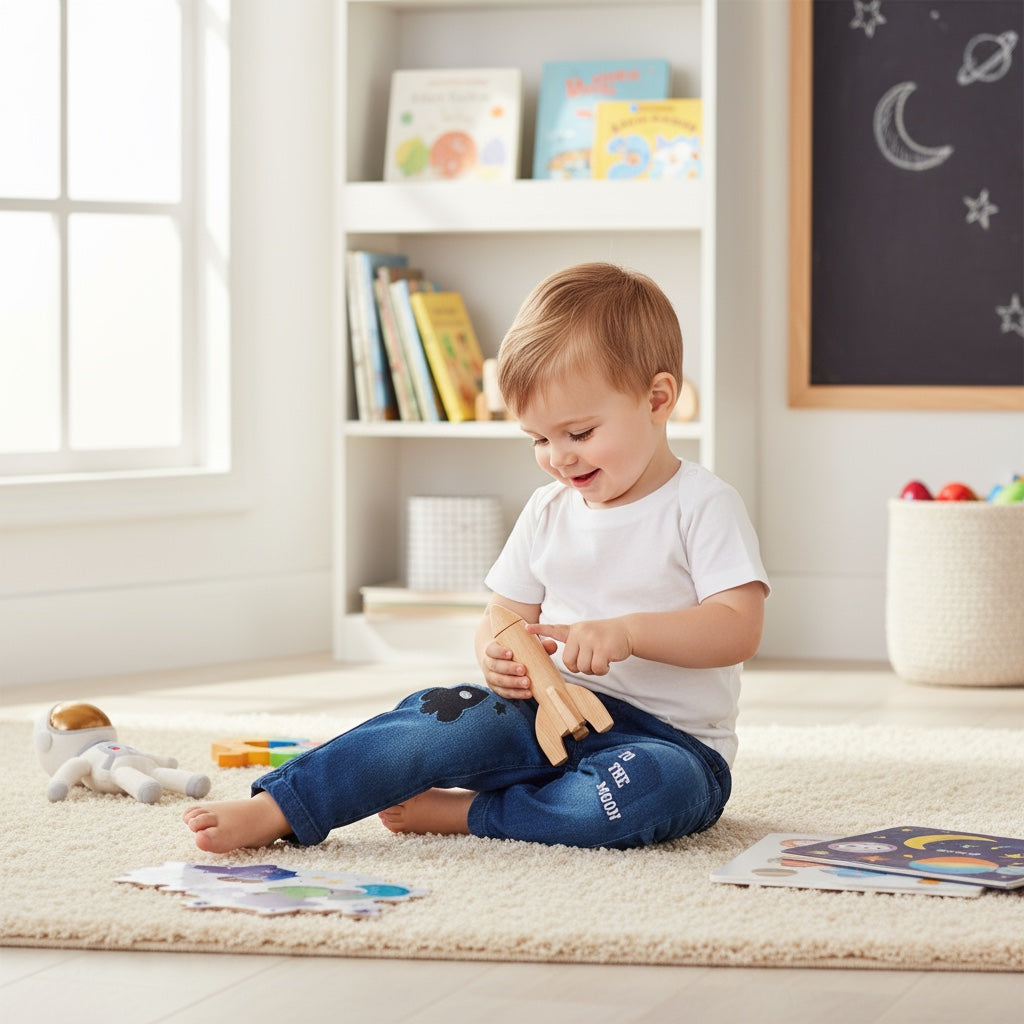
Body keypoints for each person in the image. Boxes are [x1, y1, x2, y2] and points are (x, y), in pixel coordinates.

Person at [183, 262, 769, 854]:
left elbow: (737, 628)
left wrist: (630, 633)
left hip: (665, 744)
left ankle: (473, 813)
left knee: (646, 794)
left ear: (657, 399)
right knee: (439, 717)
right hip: (542, 714)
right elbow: (503, 613)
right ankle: (284, 804)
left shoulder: (701, 504)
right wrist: (497, 656)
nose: (558, 458)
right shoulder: (547, 511)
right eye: (539, 439)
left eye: (580, 433)